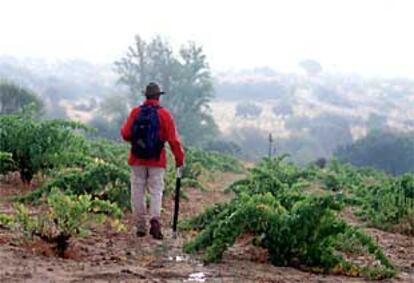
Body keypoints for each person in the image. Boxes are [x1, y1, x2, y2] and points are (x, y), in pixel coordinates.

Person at [121, 82, 185, 239]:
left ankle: (140, 226)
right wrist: (179, 159)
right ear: (158, 96)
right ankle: (155, 220)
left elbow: (125, 133)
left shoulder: (136, 112)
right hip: (157, 159)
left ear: (146, 96)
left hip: (137, 159)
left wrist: (137, 142)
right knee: (156, 191)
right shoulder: (164, 115)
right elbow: (173, 140)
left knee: (137, 191)